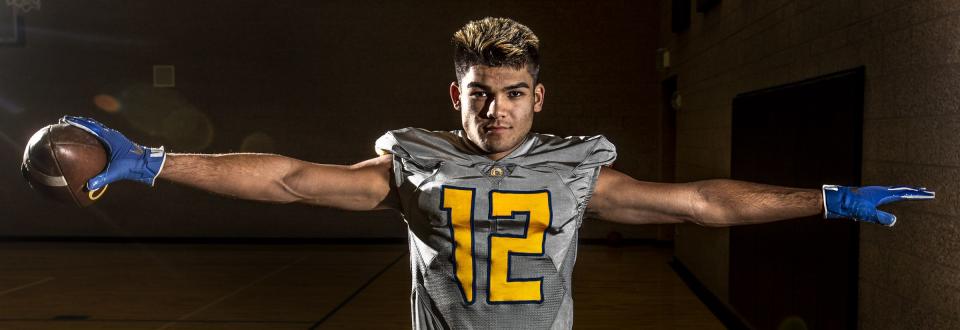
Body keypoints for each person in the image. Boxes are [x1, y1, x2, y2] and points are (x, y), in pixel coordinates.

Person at [61, 17, 934, 330]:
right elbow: (292, 179)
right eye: (481, 94)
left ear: (538, 95)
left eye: (514, 93)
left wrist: (829, 198)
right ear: (457, 93)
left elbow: (701, 201)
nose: (498, 112)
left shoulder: (579, 166)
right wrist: (157, 161)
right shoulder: (415, 158)